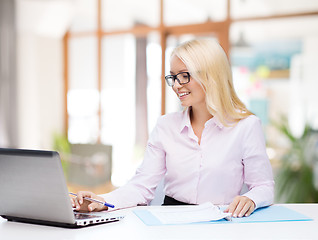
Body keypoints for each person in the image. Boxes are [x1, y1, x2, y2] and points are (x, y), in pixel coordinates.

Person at [72, 38, 274, 218]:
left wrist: (251, 199)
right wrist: (102, 201)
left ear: (211, 76)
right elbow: (142, 186)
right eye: (173, 77)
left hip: (222, 219)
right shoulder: (166, 126)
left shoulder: (246, 126)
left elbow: (263, 186)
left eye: (184, 76)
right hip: (170, 219)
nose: (177, 85)